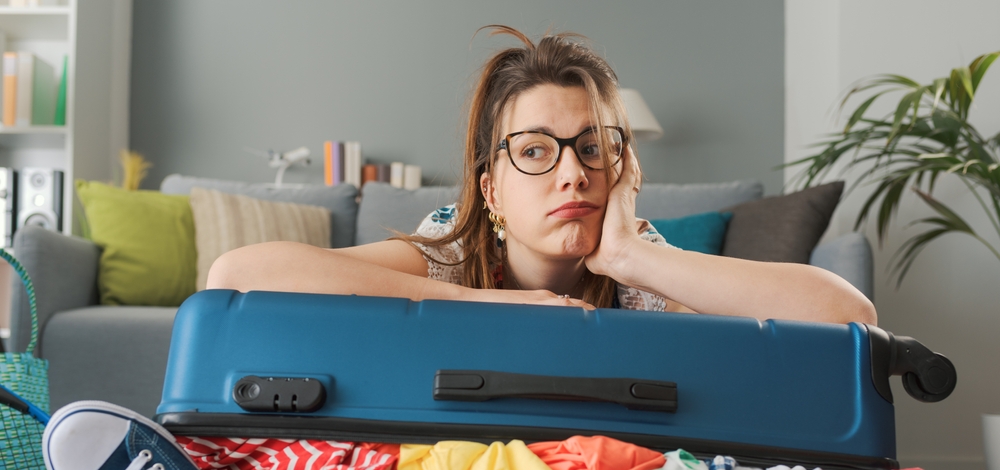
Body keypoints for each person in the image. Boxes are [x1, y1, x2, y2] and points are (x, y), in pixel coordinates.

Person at [208, 26, 876, 326]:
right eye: (534, 151)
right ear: (492, 189)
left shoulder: (637, 273)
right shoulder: (450, 255)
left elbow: (848, 314)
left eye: (592, 147)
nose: (572, 174)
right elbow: (235, 274)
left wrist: (623, 254)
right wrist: (487, 304)